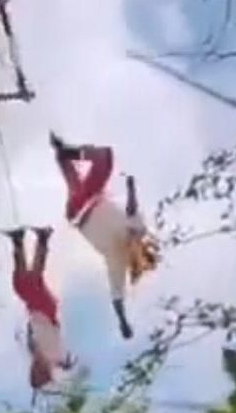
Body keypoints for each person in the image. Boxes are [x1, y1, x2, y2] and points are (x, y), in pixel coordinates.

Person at [50, 134, 158, 340]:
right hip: (85, 204)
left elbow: (117, 298)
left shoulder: (118, 263)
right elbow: (132, 210)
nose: (132, 246)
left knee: (102, 161)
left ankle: (65, 153)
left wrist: (123, 322)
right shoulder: (137, 232)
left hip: (82, 209)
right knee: (88, 171)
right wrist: (130, 188)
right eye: (138, 249)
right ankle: (62, 152)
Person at [5, 226, 73, 392]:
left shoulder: (37, 354)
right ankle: (31, 239)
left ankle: (24, 240)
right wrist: (63, 366)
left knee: (26, 282)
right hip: (45, 310)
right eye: (35, 372)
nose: (33, 368)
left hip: (39, 309)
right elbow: (60, 361)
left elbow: (28, 337)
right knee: (27, 283)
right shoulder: (52, 357)